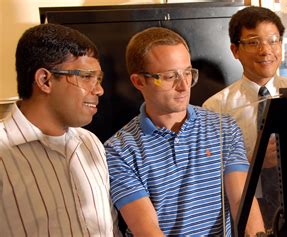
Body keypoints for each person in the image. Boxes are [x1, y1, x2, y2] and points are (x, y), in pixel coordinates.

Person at [104, 27, 264, 236]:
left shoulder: (223, 127)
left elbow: (243, 203)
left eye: (187, 73)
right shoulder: (119, 150)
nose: (183, 86)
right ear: (139, 81)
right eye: (170, 76)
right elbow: (147, 230)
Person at [0, 24, 119, 236]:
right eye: (85, 76)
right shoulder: (3, 154)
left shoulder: (91, 144)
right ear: (45, 80)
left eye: (98, 78)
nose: (99, 89)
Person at [202, 6, 287, 229]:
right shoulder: (215, 108)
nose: (265, 50)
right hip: (244, 210)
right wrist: (255, 161)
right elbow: (208, 178)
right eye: (253, 42)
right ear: (235, 50)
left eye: (273, 40)